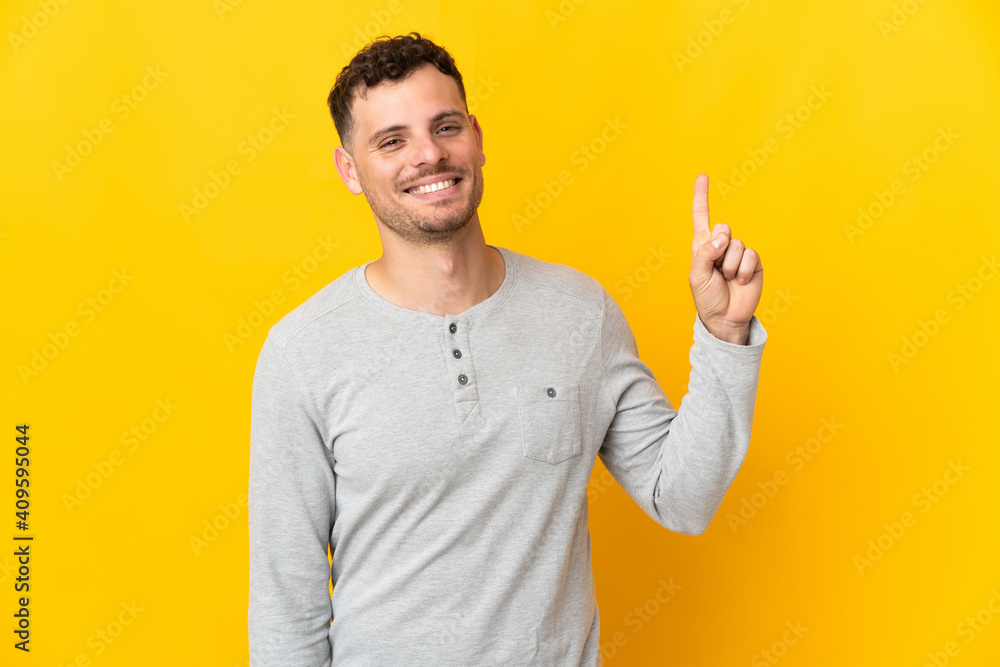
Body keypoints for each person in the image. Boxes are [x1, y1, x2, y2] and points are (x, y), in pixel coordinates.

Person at [248, 32, 767, 667]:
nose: (428, 155)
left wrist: (724, 334)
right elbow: (286, 608)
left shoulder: (579, 312)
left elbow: (683, 498)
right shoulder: (302, 351)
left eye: (446, 126)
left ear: (477, 136)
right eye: (392, 140)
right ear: (350, 170)